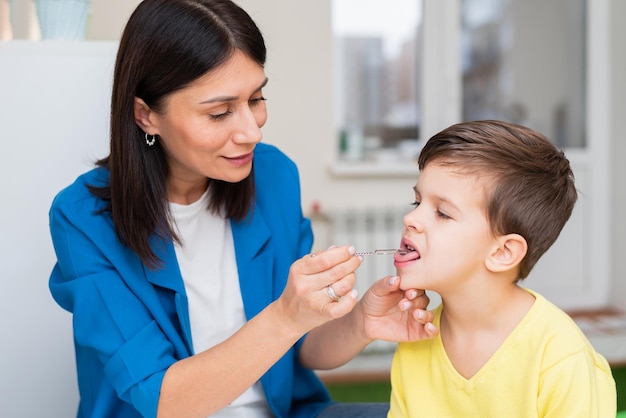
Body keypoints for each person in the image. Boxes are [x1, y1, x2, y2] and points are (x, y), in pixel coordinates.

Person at [47, 1, 438, 417]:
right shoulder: (83, 218)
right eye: (219, 113)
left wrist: (361, 324)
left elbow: (302, 346)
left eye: (256, 98)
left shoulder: (273, 176)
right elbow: (162, 399)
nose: (252, 131)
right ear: (146, 116)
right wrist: (287, 316)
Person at [388, 120, 617, 417]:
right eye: (416, 201)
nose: (411, 218)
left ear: (503, 252)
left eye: (442, 213)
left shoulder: (560, 357)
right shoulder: (416, 340)